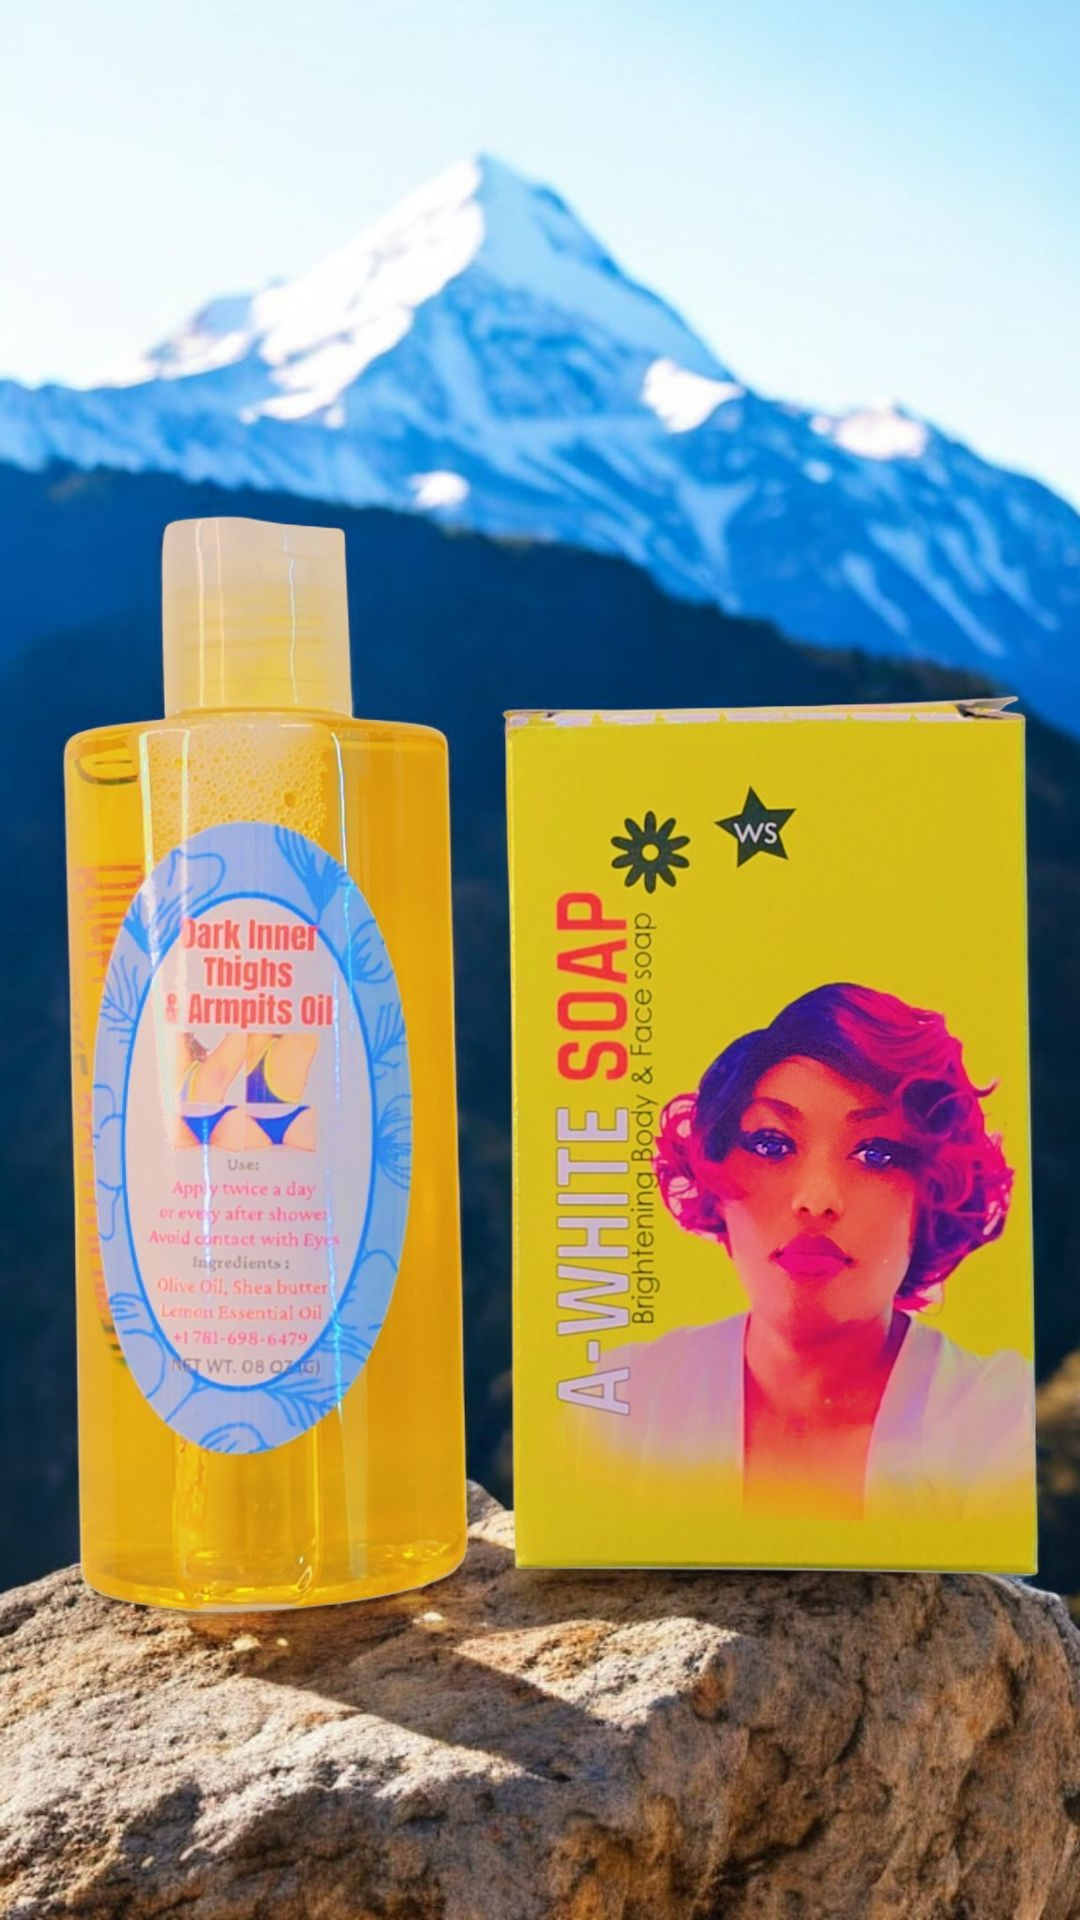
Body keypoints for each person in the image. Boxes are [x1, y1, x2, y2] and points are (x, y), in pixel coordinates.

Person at [598, 983, 1032, 1523]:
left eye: (876, 1154)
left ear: (931, 1193)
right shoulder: (622, 1402)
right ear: (715, 1171)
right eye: (772, 1145)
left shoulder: (998, 1425)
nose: (816, 1200)